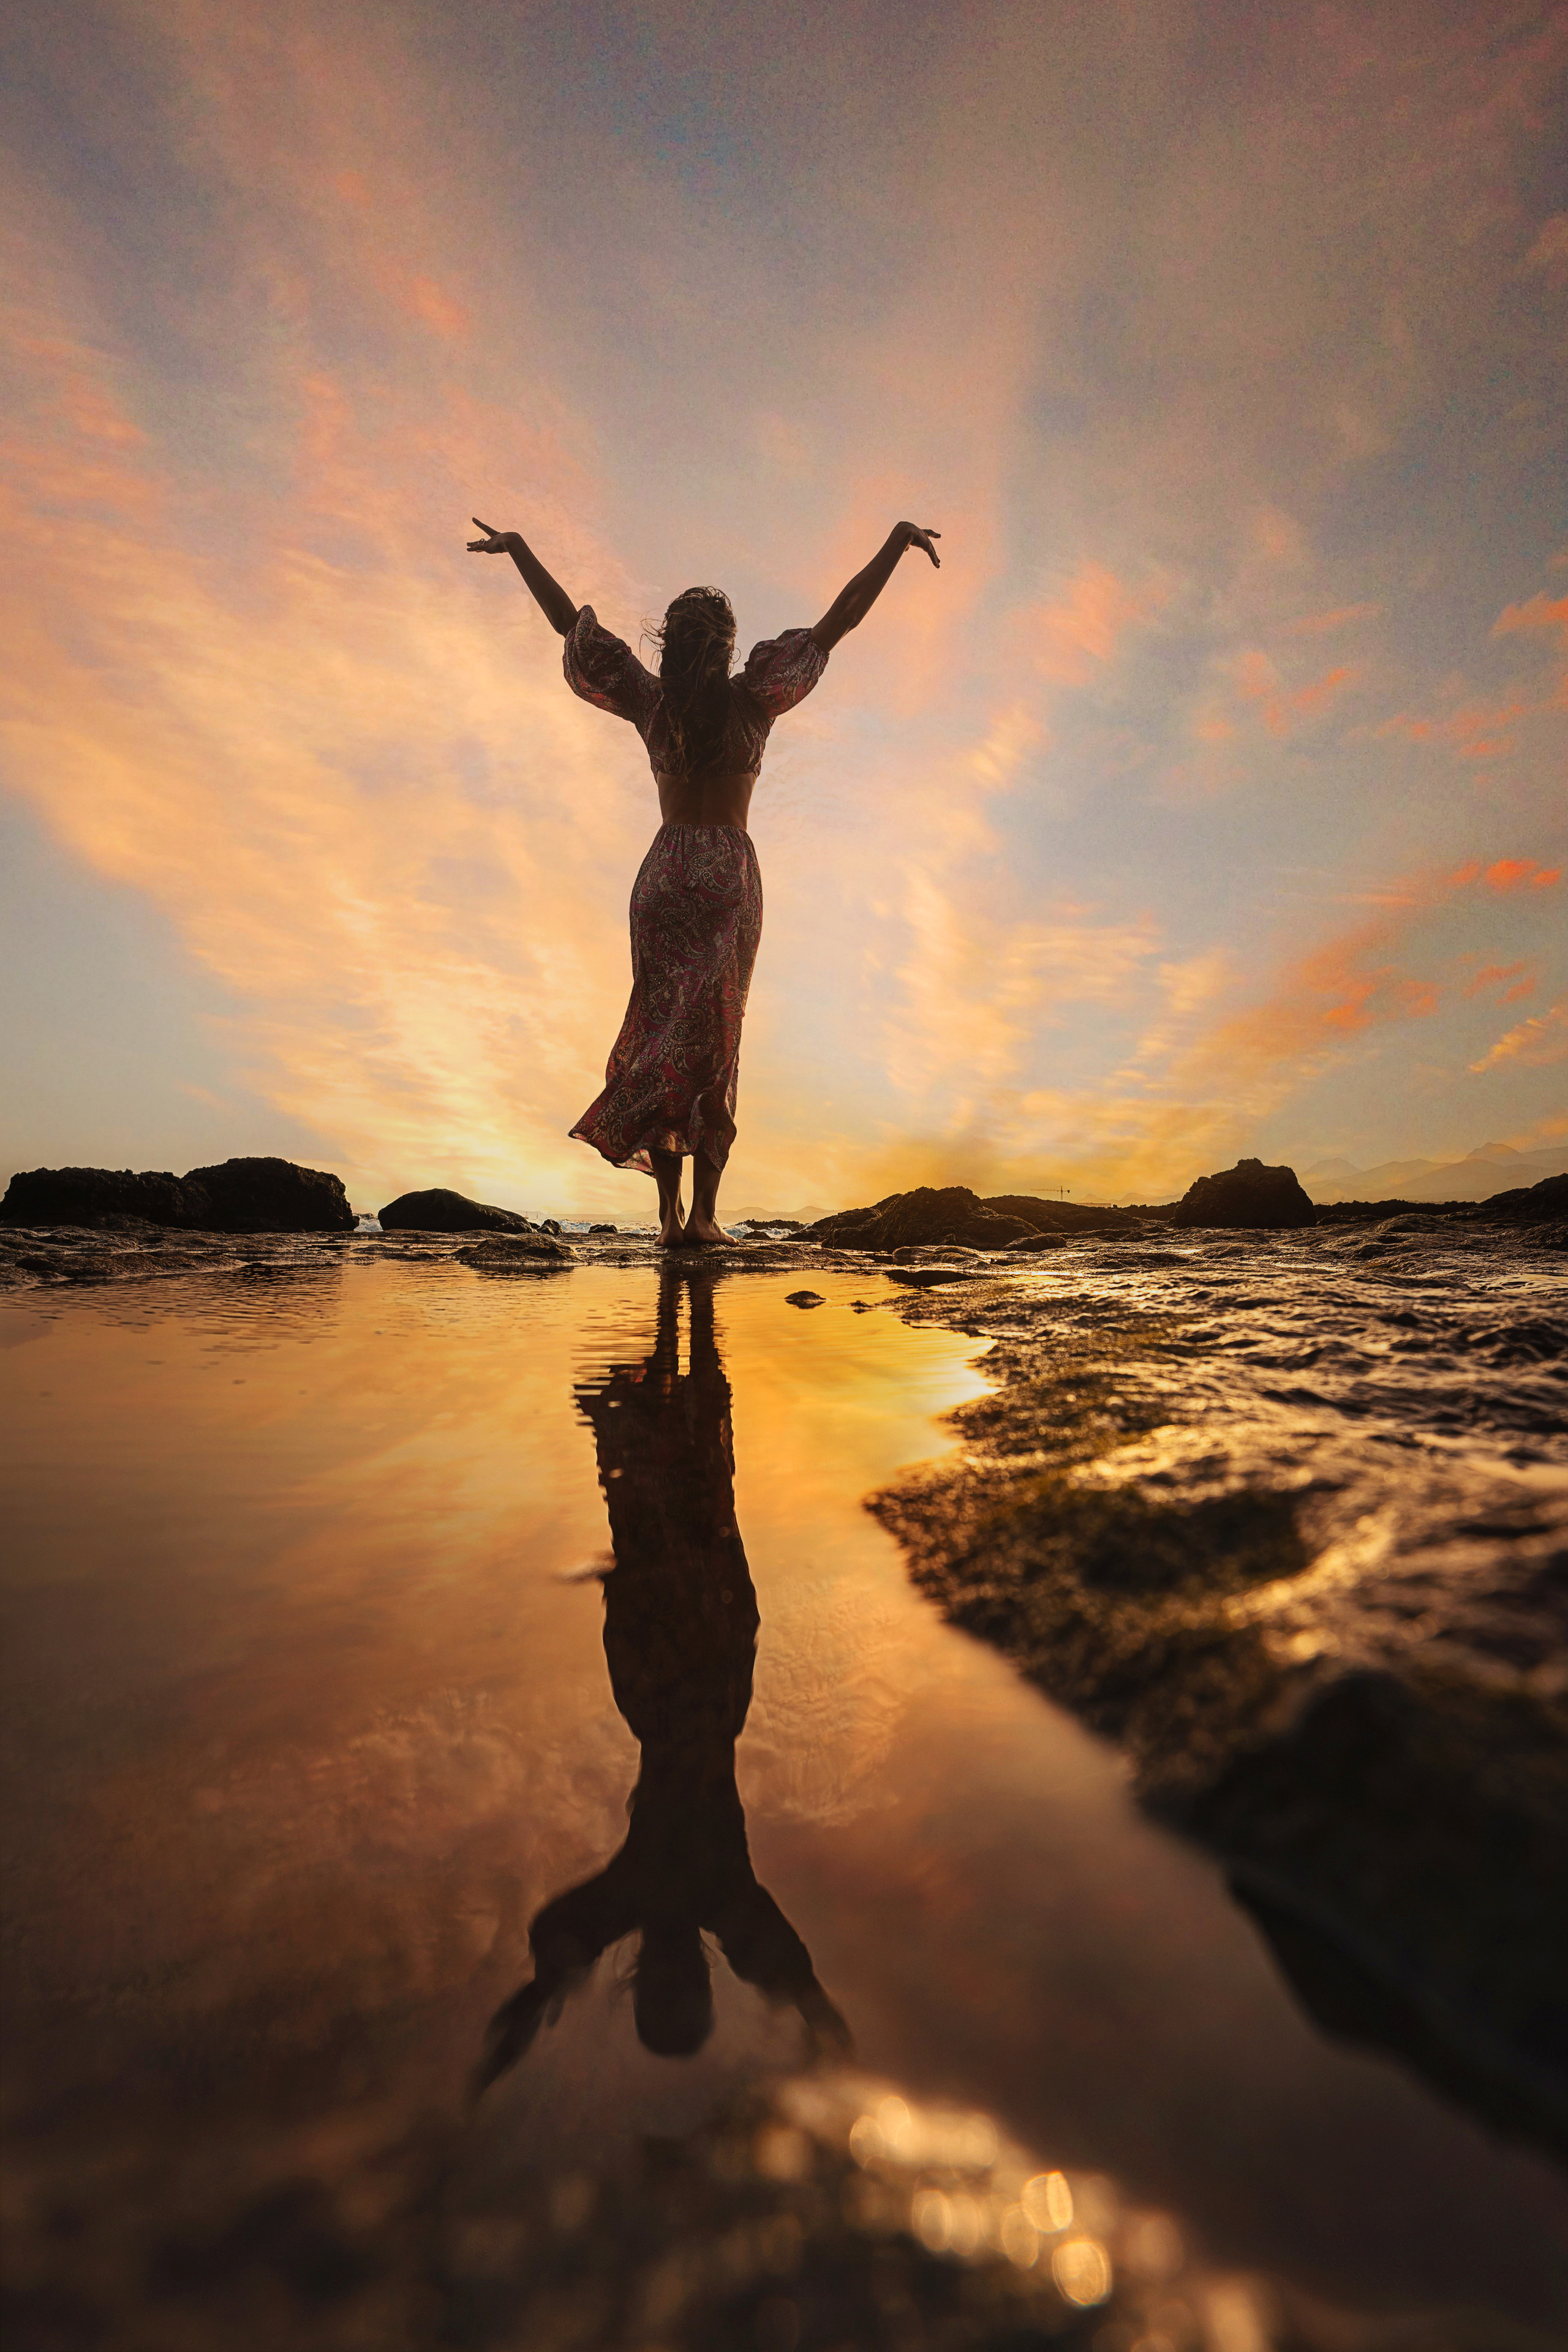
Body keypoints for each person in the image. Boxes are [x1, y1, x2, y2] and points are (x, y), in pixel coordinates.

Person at [467, 514, 941, 1244]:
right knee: (715, 1041)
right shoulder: (753, 700)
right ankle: (707, 1220)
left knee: (661, 1037)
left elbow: (571, 627)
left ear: (670, 641)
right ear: (725, 646)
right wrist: (896, 542)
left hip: (662, 874)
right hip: (725, 873)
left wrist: (520, 552)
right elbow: (837, 622)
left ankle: (664, 1221)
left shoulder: (652, 703)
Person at [476, 1270, 850, 2088]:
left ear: (647, 1986)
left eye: (664, 1994)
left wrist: (541, 2000)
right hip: (703, 1682)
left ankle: (678, 1321)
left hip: (675, 1686)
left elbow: (562, 1938)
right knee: (691, 1504)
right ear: (701, 1985)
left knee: (666, 1509)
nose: (679, 1979)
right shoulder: (718, 1900)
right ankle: (685, 1317)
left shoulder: (654, 1899)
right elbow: (787, 1973)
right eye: (691, 1993)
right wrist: (820, 2025)